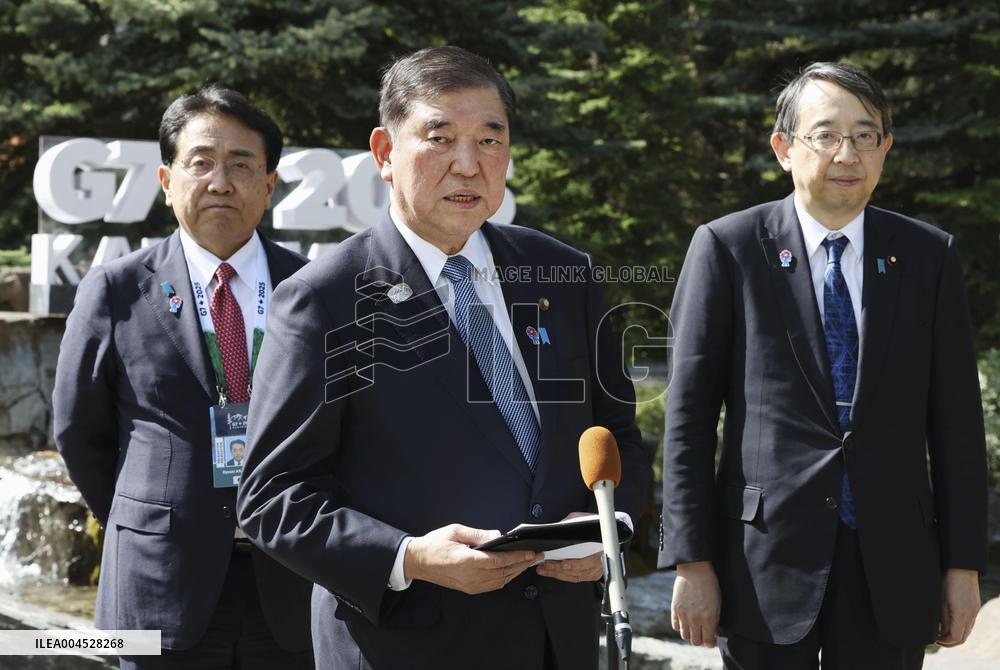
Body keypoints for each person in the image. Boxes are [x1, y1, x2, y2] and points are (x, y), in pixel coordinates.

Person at [236, 46, 652, 670]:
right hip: (405, 642)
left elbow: (619, 440)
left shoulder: (565, 275)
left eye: (490, 140)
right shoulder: (324, 300)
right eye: (440, 138)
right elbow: (272, 496)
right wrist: (409, 557)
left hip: (555, 640)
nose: (468, 165)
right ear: (384, 152)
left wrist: (609, 530)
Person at [658, 61, 988, 669]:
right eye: (826, 134)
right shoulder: (729, 248)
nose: (848, 153)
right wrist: (692, 560)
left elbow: (957, 426)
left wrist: (962, 566)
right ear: (784, 148)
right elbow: (688, 420)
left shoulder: (927, 255)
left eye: (866, 135)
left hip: (891, 561)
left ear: (885, 149)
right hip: (763, 560)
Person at [53, 84, 313, 669]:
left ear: (268, 186)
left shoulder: (311, 290)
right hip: (157, 585)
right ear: (167, 182)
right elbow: (78, 432)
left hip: (291, 583)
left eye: (241, 165)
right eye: (201, 163)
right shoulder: (116, 289)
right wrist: (147, 520)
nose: (221, 182)